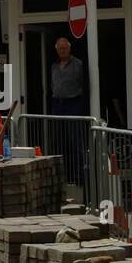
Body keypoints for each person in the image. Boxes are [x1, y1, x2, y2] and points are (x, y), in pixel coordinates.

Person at [49, 37, 88, 184]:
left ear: (69, 49)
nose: (62, 51)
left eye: (64, 48)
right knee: (57, 141)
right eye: (59, 48)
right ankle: (59, 175)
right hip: (58, 104)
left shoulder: (78, 65)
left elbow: (84, 84)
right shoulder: (54, 66)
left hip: (74, 104)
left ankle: (81, 175)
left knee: (77, 139)